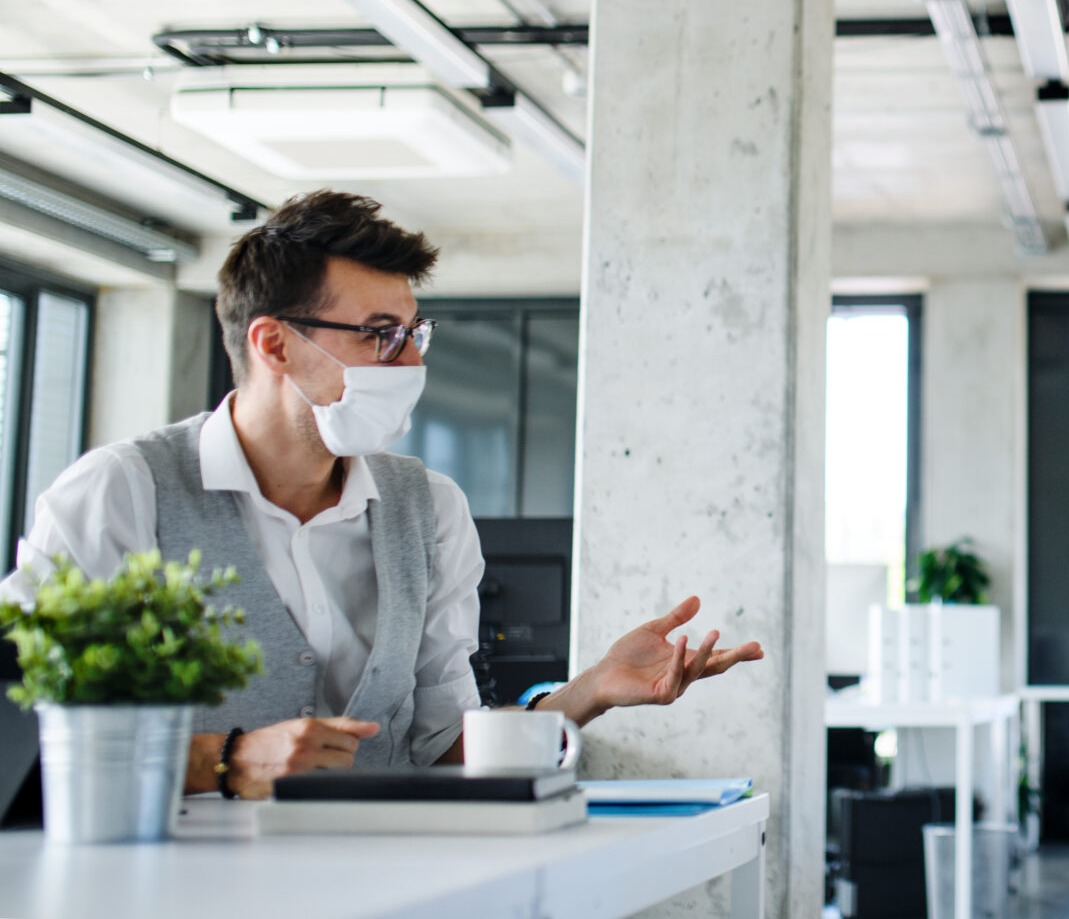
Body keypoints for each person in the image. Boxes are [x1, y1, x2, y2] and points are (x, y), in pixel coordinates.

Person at [0, 191, 762, 799]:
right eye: (377, 334)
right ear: (273, 344)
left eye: (412, 334)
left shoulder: (429, 509)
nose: (405, 362)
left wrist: (590, 689)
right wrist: (225, 760)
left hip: (386, 882)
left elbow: (441, 750)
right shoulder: (122, 492)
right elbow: (22, 732)